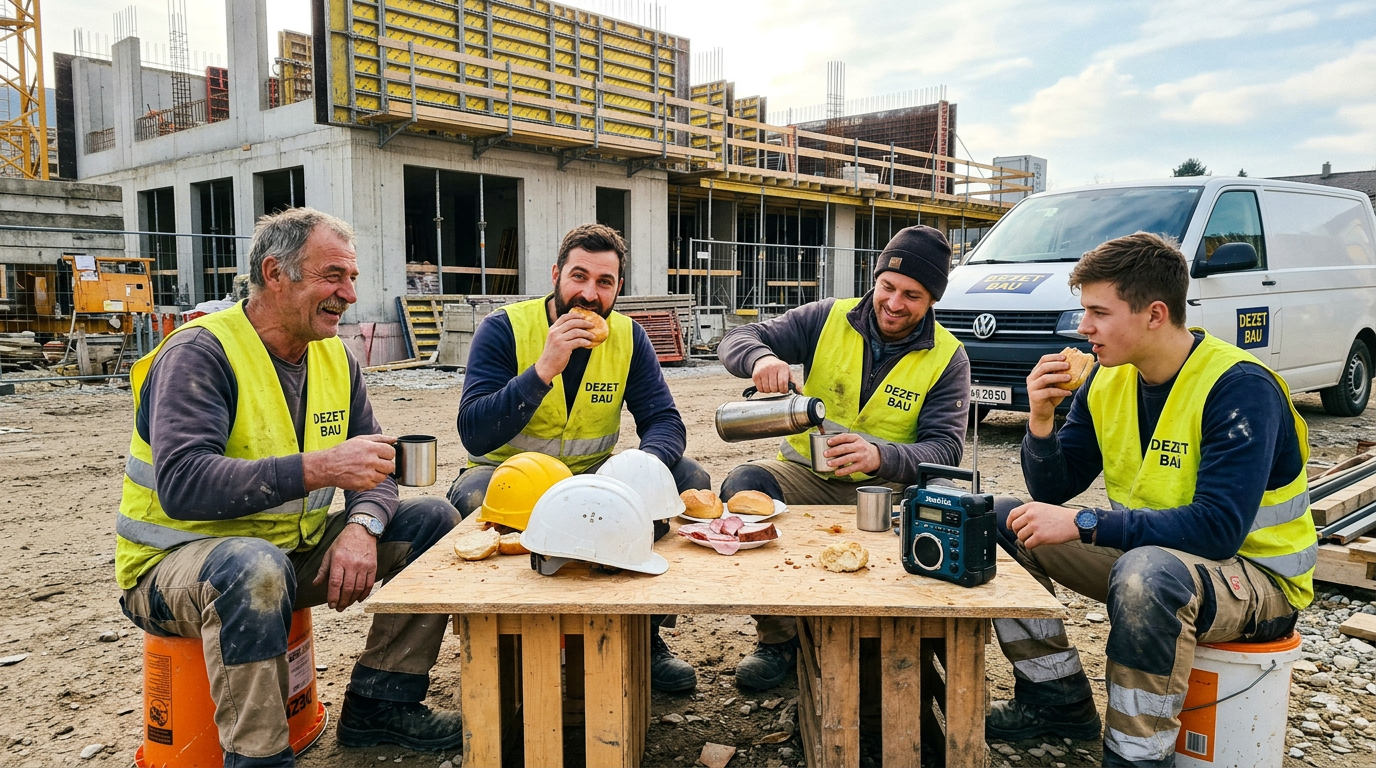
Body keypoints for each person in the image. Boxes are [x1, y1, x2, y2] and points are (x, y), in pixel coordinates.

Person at [115, 208, 464, 768]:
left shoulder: (334, 356)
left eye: (352, 278)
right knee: (253, 568)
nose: (349, 294)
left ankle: (381, 703)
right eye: (333, 276)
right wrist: (319, 468)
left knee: (435, 522)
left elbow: (373, 466)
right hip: (174, 571)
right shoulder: (199, 353)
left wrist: (362, 526)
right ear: (275, 273)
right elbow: (183, 483)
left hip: (282, 557)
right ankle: (259, 757)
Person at [987, 232, 1317, 767]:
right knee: (997, 522)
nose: (1083, 327)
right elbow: (1051, 490)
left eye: (1099, 312)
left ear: (1155, 314)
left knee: (1147, 576)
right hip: (1157, 558)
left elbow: (1219, 530)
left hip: (1257, 578)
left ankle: (1136, 756)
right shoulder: (1107, 378)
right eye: (1084, 311)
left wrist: (1085, 523)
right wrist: (1041, 421)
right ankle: (1056, 701)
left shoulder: (1239, 387)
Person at [446, 222, 710, 693]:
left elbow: (664, 421)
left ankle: (643, 633)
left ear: (618, 288)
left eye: (604, 282)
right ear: (556, 275)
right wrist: (543, 369)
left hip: (592, 476)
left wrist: (639, 470)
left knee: (685, 476)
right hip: (508, 475)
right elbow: (474, 432)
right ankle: (509, 645)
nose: (589, 294)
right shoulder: (504, 328)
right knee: (471, 498)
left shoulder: (629, 337)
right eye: (579, 277)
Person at [717, 225, 970, 690]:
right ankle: (779, 639)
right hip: (803, 473)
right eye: (887, 286)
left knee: (935, 513)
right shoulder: (827, 317)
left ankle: (888, 642)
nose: (894, 303)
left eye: (912, 295)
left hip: (884, 488)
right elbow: (740, 337)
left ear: (933, 299)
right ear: (875, 278)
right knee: (743, 486)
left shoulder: (949, 357)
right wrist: (760, 360)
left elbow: (945, 448)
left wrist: (880, 455)